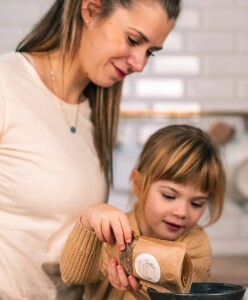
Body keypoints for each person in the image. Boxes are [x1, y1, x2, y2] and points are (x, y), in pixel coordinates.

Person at [0, 0, 181, 299]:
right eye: (134, 40)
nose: (139, 64)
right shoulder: (7, 85)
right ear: (91, 10)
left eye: (149, 52)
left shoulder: (95, 112)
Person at [60, 124, 226, 300]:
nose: (182, 212)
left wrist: (136, 290)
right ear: (138, 184)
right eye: (169, 196)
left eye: (196, 203)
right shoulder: (113, 236)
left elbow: (179, 297)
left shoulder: (194, 245)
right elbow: (73, 276)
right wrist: (89, 220)